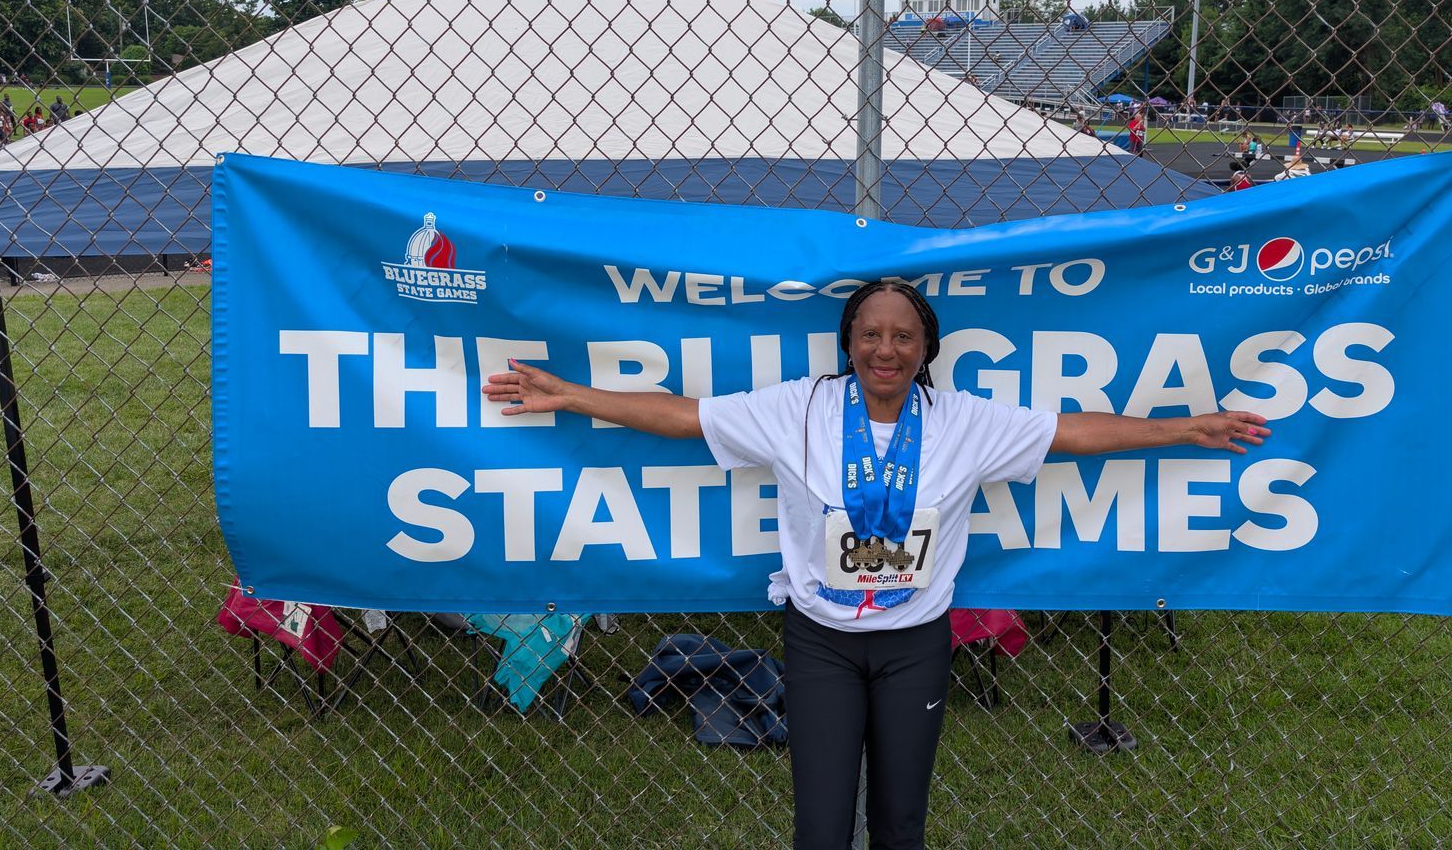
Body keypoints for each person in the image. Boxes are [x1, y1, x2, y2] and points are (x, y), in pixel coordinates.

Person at [484, 280, 1269, 850]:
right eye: (869, 334)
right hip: (821, 641)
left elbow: (1074, 433)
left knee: (901, 823)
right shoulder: (800, 408)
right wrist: (576, 395)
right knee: (821, 827)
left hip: (915, 644)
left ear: (925, 348)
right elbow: (686, 417)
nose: (884, 349)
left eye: (901, 336)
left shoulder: (964, 420)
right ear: (848, 343)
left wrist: (1184, 426)